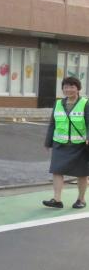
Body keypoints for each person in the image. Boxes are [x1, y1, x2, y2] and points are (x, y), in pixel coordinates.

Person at [42, 76, 89, 209]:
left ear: (78, 88)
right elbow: (52, 124)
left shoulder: (85, 103)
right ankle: (57, 200)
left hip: (80, 145)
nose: (68, 89)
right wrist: (48, 142)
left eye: (72, 87)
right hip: (60, 144)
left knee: (82, 173)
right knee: (57, 171)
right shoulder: (58, 104)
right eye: (66, 87)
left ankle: (81, 199)